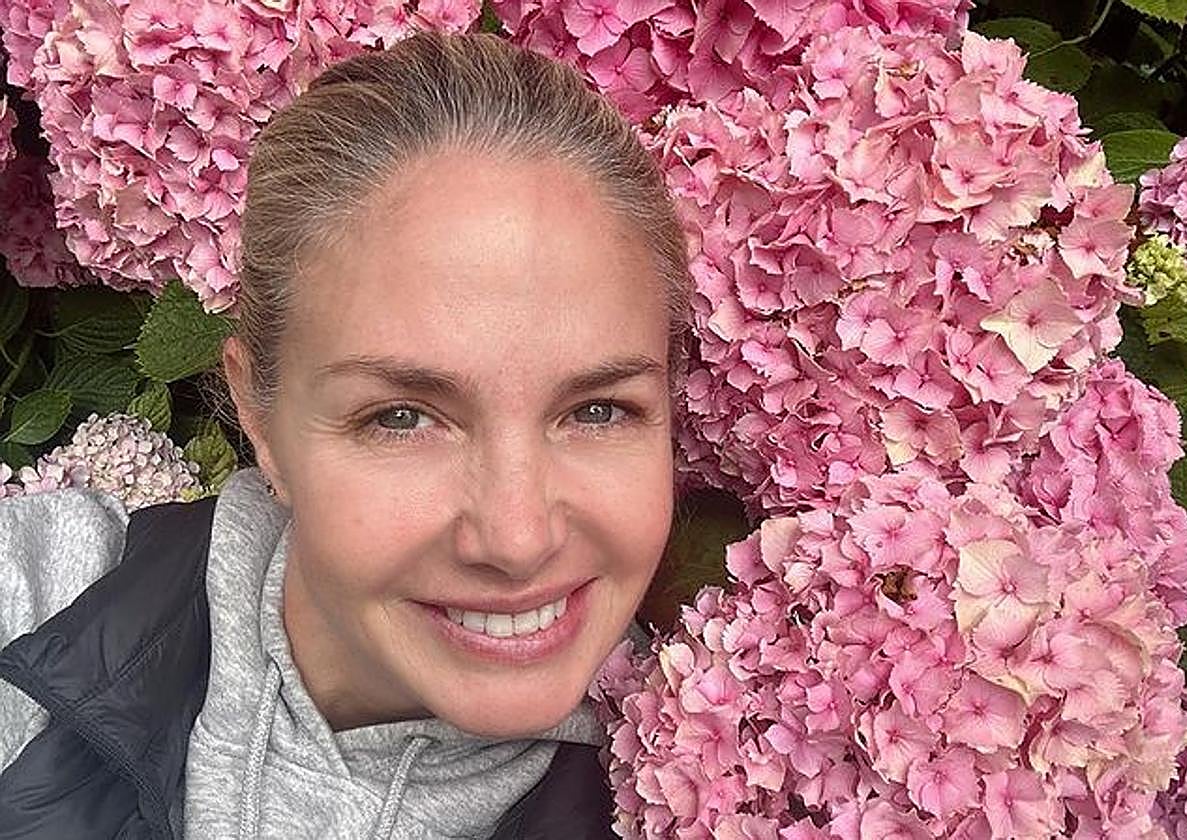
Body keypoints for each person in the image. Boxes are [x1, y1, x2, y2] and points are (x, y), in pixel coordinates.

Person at [0, 30, 692, 839]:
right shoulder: (41, 600)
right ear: (258, 417)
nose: (516, 538)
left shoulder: (738, 786)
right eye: (401, 417)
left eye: (598, 410)